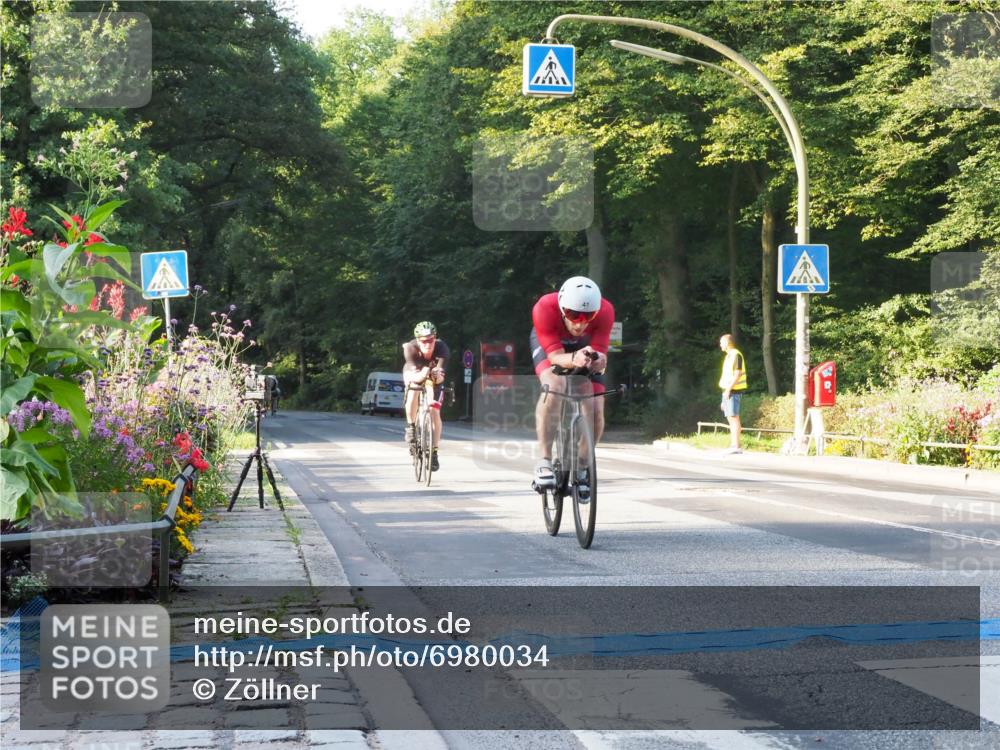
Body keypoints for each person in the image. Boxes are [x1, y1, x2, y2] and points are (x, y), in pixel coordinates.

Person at [531, 276, 615, 497]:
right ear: (561, 308)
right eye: (572, 315)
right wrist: (574, 358)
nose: (579, 323)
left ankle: (583, 465)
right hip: (552, 347)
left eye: (588, 317)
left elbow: (600, 351)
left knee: (595, 409)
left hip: (584, 348)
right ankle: (544, 460)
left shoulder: (606, 311)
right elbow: (556, 358)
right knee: (554, 385)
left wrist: (600, 360)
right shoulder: (544, 308)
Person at [403, 321, 449, 471]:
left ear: (435, 338)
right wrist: (422, 374)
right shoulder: (410, 348)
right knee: (414, 389)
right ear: (418, 340)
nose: (428, 344)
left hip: (433, 375)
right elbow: (416, 377)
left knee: (435, 411)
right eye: (424, 341)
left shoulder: (442, 348)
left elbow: (440, 377)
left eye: (431, 340)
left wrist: (437, 375)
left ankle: (434, 452)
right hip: (415, 372)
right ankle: (411, 428)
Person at [718, 333, 747, 454]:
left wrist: (728, 390)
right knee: (731, 418)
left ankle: (736, 446)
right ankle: (734, 444)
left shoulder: (736, 355)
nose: (720, 345)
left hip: (733, 390)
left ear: (727, 343)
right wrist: (725, 393)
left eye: (721, 342)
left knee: (734, 418)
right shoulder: (729, 356)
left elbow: (737, 374)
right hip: (728, 391)